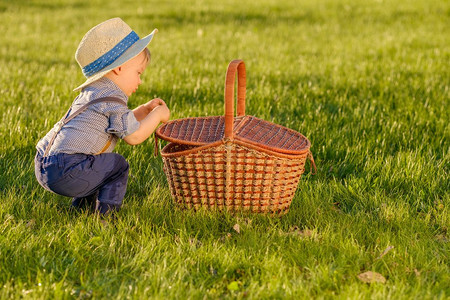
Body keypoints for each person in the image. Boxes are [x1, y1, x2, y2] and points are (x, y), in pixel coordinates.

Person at [34, 17, 170, 216]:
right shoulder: (112, 101)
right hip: (67, 168)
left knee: (96, 162)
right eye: (139, 73)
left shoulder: (94, 93)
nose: (140, 81)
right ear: (119, 68)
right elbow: (134, 136)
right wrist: (157, 115)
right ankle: (106, 217)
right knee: (117, 166)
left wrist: (143, 111)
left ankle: (81, 211)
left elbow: (118, 124)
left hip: (45, 163)